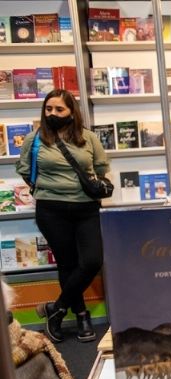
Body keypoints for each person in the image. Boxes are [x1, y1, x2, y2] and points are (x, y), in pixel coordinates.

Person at [16, 89, 110, 343]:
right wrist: (49, 188)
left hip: (86, 208)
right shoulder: (34, 139)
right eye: (49, 109)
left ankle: (56, 308)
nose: (53, 114)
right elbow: (25, 170)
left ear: (71, 112)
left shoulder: (88, 138)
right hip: (51, 211)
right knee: (67, 263)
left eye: (59, 109)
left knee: (91, 261)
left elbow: (100, 168)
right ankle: (81, 315)